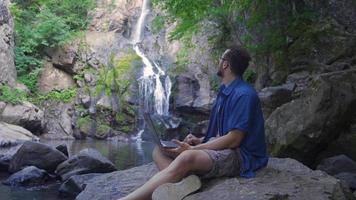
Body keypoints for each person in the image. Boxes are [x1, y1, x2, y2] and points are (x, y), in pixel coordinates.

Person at [119, 46, 268, 200]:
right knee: (159, 150)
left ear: (226, 64)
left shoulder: (243, 94)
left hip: (242, 156)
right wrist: (199, 141)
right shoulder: (225, 91)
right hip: (226, 148)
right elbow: (223, 135)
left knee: (187, 157)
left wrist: (193, 148)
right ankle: (185, 182)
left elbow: (235, 139)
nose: (219, 61)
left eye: (221, 59)